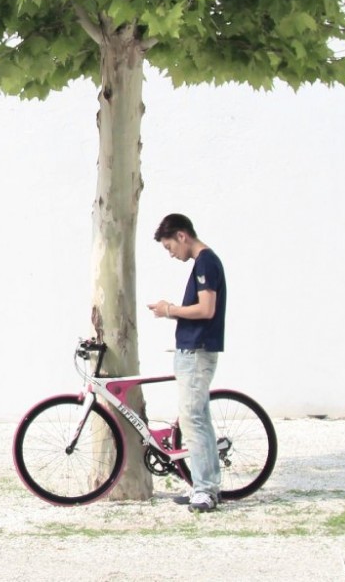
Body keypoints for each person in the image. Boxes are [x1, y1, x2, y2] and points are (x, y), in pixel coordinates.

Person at [147, 213, 226, 514]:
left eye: (169, 247)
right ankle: (204, 486)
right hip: (193, 350)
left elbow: (207, 309)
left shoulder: (205, 262)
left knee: (193, 419)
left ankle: (205, 490)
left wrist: (170, 310)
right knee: (197, 419)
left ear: (182, 236)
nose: (171, 254)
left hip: (197, 350)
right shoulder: (205, 262)